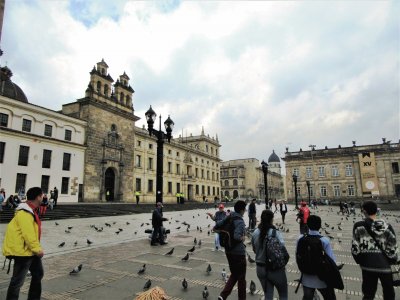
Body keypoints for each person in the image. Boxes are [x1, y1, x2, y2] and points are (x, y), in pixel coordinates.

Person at [2, 187, 44, 300]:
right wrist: (37, 249)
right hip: (23, 252)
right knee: (17, 281)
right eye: (42, 195)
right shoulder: (25, 212)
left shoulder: (31, 211)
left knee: (38, 273)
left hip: (29, 251)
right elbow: (28, 234)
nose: (43, 197)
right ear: (38, 197)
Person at [351, 200, 398, 300]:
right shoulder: (387, 226)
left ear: (364, 211)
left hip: (367, 266)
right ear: (376, 211)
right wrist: (392, 260)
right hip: (385, 266)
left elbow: (355, 248)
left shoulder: (359, 226)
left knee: (368, 294)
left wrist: (361, 260)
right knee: (389, 293)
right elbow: (393, 246)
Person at [296, 215, 337, 300]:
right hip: (322, 278)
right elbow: (332, 260)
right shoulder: (324, 240)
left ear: (307, 225)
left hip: (306, 277)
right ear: (320, 226)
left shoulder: (300, 238)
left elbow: (298, 255)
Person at [252, 209, 288, 300]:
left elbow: (255, 250)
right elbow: (282, 250)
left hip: (260, 268)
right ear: (271, 219)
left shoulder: (255, 232)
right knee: (283, 295)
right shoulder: (275, 233)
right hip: (275, 268)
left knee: (268, 296)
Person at [215, 200, 247, 300]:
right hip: (238, 254)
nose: (245, 211)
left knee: (234, 274)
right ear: (242, 210)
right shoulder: (240, 221)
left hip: (228, 251)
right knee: (241, 278)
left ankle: (223, 295)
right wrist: (243, 238)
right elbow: (237, 236)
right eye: (244, 209)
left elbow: (217, 224)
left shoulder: (229, 216)